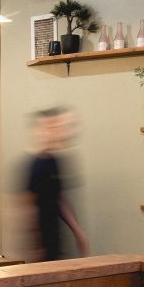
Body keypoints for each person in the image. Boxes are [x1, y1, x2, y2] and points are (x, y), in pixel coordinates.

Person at [22, 107, 89, 262]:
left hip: (54, 238)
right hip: (39, 244)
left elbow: (58, 198)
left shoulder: (54, 160)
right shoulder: (35, 163)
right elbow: (26, 203)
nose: (60, 131)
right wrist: (35, 245)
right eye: (51, 127)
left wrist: (78, 231)